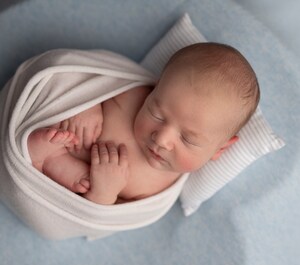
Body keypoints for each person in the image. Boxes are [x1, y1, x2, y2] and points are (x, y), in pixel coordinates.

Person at [28, 42, 260, 205]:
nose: (161, 139)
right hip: (53, 126)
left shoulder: (158, 191)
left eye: (188, 139)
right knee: (46, 128)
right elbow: (87, 77)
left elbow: (103, 218)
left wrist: (106, 191)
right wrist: (86, 105)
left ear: (220, 149)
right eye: (157, 114)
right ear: (155, 89)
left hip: (55, 184)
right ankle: (32, 150)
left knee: (80, 181)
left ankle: (42, 159)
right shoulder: (132, 96)